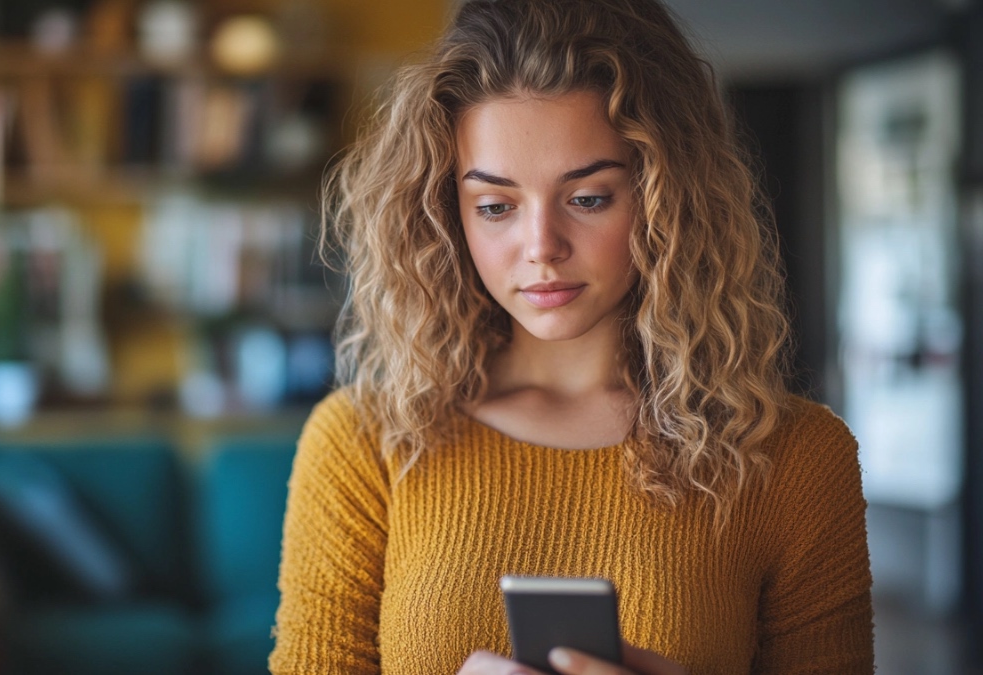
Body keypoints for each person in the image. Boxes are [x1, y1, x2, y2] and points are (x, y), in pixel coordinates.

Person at [269, 0, 874, 673]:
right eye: (496, 206)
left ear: (668, 196)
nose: (541, 248)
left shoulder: (798, 460)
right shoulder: (363, 446)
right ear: (447, 212)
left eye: (588, 198)